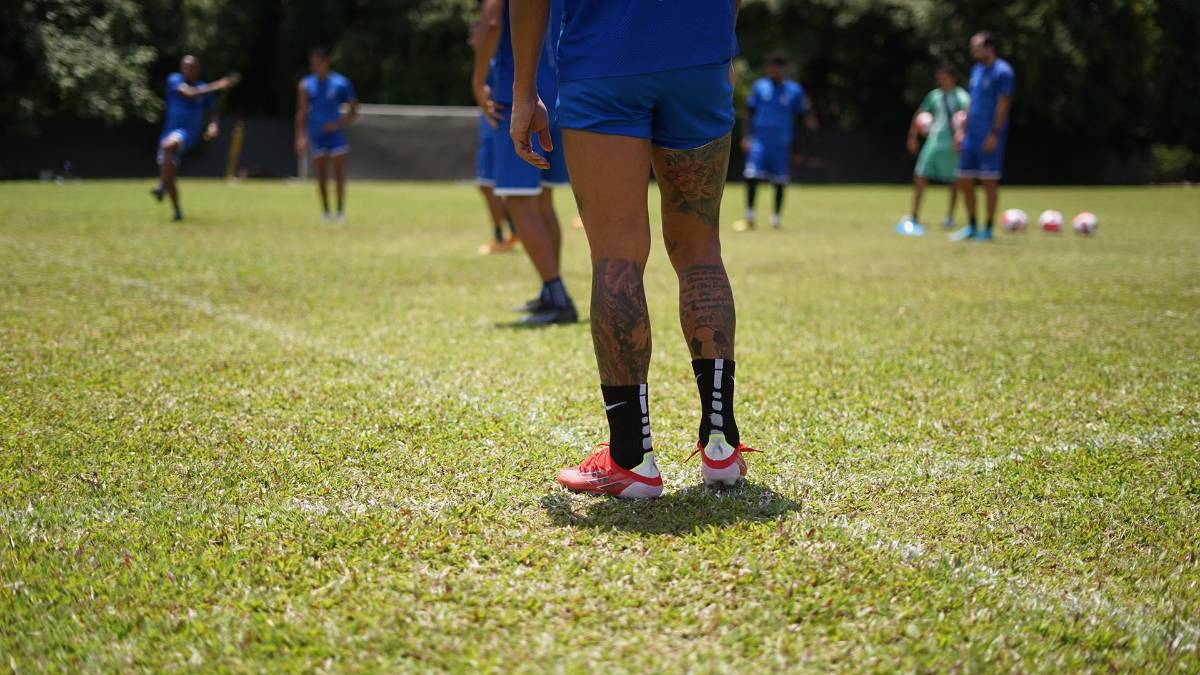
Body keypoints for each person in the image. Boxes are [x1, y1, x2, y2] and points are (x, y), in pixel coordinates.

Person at [510, 0, 755, 498]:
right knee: (701, 249)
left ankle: (630, 459)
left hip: (603, 64)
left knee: (616, 256)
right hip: (699, 61)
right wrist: (718, 45)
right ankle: (721, 444)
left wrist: (523, 92)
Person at [473, 0, 576, 324]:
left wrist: (478, 80)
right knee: (544, 200)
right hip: (559, 94)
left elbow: (491, 24)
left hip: (519, 96)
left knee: (519, 200)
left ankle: (557, 294)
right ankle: (551, 292)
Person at [732, 52, 818, 232]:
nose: (773, 70)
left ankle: (776, 219)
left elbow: (802, 118)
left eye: (776, 67)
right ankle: (749, 217)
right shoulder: (760, 87)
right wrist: (746, 136)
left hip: (781, 144)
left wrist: (798, 148)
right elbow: (750, 113)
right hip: (759, 142)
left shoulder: (794, 90)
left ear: (783, 68)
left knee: (780, 181)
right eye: (770, 67)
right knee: (752, 176)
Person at [150, 56, 239, 221]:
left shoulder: (203, 88)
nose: (187, 70)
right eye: (185, 67)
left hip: (187, 133)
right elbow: (189, 93)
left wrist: (213, 126)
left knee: (168, 146)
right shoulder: (174, 80)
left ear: (198, 69)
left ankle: (162, 184)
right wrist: (217, 85)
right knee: (171, 175)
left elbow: (212, 111)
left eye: (191, 67)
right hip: (169, 131)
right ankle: (177, 211)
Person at [951, 31, 1015, 242]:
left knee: (989, 183)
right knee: (964, 180)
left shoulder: (1003, 72)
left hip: (990, 136)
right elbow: (972, 102)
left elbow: (1003, 105)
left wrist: (994, 133)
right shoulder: (976, 70)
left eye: (976, 47)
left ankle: (987, 229)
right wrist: (961, 130)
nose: (973, 51)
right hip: (971, 135)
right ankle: (971, 226)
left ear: (989, 47)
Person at [898, 64, 970, 235]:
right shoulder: (934, 96)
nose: (940, 79)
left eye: (943, 75)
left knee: (955, 181)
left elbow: (968, 114)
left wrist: (961, 134)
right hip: (933, 143)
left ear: (953, 77)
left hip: (953, 145)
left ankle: (950, 217)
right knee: (920, 176)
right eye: (939, 76)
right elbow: (919, 114)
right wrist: (912, 137)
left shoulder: (961, 96)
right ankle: (914, 215)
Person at [469, 16, 519, 254]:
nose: (470, 40)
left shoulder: (491, 64)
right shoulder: (494, 62)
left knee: (488, 186)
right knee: (490, 188)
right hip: (490, 130)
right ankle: (509, 232)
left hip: (494, 131)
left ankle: (503, 236)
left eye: (473, 34)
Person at [295, 47, 359, 225]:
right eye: (312, 63)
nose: (315, 66)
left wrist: (339, 124)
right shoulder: (306, 84)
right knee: (321, 175)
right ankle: (325, 212)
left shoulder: (341, 83)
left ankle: (340, 212)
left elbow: (354, 109)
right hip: (317, 134)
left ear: (326, 62)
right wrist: (300, 136)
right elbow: (301, 112)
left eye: (318, 62)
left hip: (336, 135)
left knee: (338, 174)